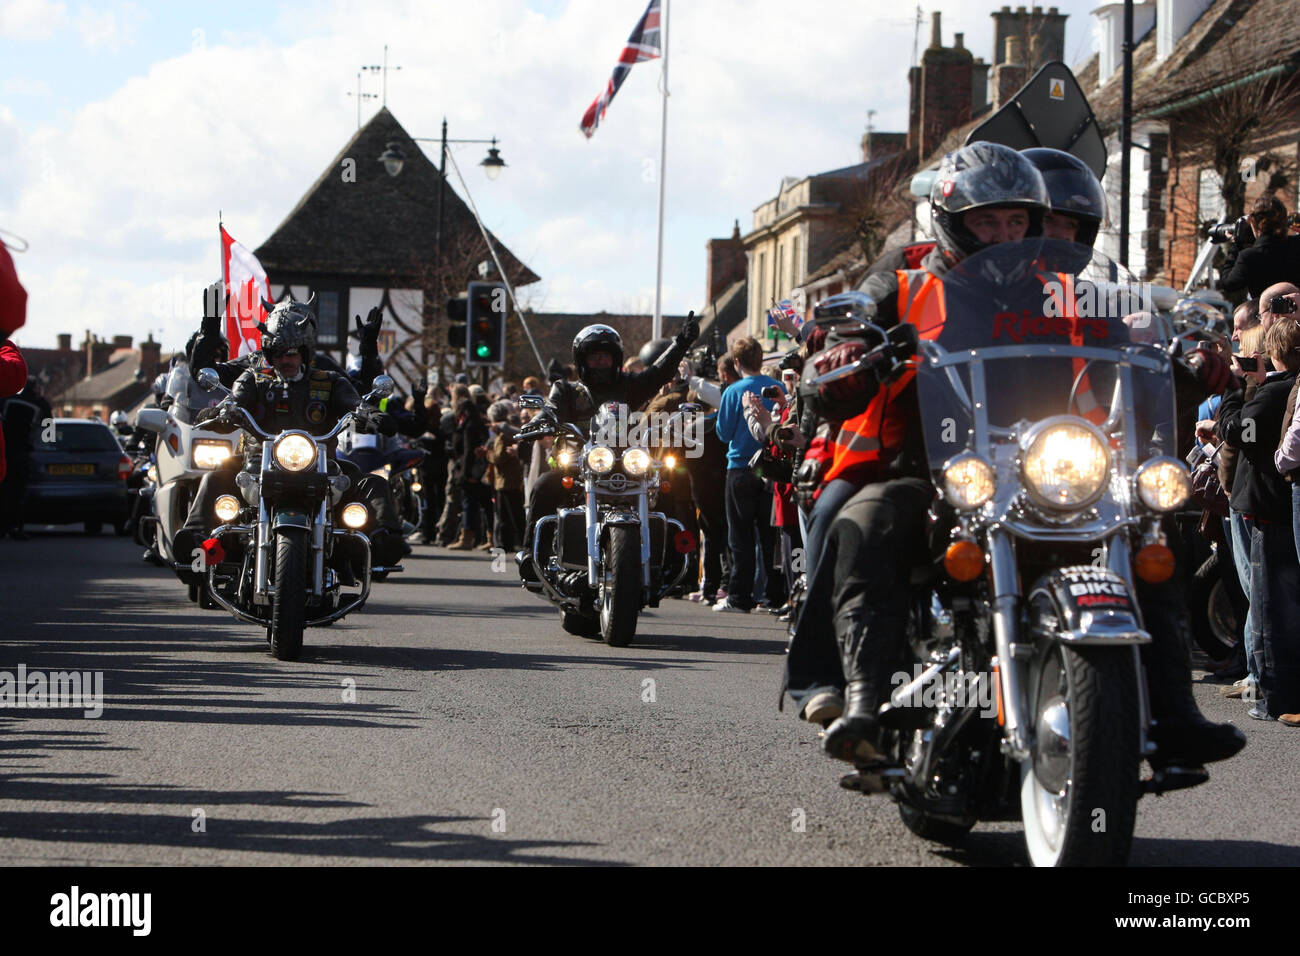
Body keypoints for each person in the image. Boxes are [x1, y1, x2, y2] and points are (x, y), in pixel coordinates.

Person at [789, 141, 1244, 774]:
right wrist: (844, 350)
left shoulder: (1064, 291)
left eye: (1017, 222)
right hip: (928, 464)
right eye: (986, 221)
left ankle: (1173, 711)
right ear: (952, 223)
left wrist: (1183, 358)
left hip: (1046, 465)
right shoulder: (907, 278)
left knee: (1145, 523)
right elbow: (850, 326)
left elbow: (1130, 343)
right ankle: (860, 699)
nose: (1004, 235)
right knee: (867, 517)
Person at [172, 297, 402, 569]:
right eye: (278, 351)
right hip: (258, 459)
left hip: (318, 461)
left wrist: (369, 358)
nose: (285, 359)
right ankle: (196, 541)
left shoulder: (326, 375)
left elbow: (358, 396)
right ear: (269, 349)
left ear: (305, 346)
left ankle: (380, 543)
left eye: (292, 351)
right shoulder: (254, 373)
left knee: (372, 483)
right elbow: (213, 381)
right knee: (213, 478)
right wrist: (210, 326)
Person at [517, 315, 699, 578]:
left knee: (663, 487)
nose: (601, 362)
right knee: (544, 484)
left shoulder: (630, 385)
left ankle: (672, 561)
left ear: (615, 358)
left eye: (606, 356)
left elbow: (658, 373)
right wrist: (538, 423)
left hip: (627, 465)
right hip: (581, 465)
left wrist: (681, 343)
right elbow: (550, 410)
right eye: (594, 357)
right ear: (583, 360)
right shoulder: (567, 390)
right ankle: (532, 555)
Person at [712, 337, 783, 613]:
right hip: (770, 467)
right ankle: (773, 596)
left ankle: (739, 596)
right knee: (770, 537)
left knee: (739, 535)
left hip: (741, 467)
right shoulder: (776, 387)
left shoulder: (732, 391)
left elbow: (723, 433)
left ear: (737, 362)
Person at [1219, 196, 1300, 301]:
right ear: (1285, 221)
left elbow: (1228, 284)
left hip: (1265, 313)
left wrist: (1236, 246)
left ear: (1253, 222)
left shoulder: (1248, 256)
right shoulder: (1296, 245)